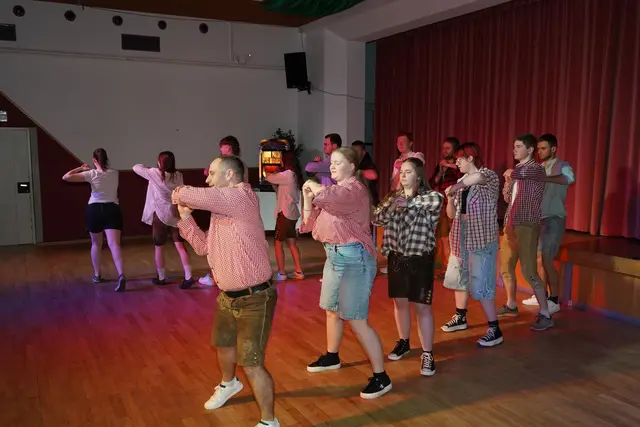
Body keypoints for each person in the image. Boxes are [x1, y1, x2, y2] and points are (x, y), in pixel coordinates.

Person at [172, 155, 279, 427]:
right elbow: (203, 248)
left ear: (229, 175)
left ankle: (270, 422)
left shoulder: (241, 197)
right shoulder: (221, 210)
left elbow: (186, 193)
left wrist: (177, 192)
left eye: (212, 174)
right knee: (223, 345)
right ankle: (229, 384)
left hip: (255, 298)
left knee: (252, 363)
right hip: (227, 297)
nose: (208, 179)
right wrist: (186, 219)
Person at [300, 147, 392, 399]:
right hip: (333, 255)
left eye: (338, 162)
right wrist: (307, 199)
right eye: (331, 162)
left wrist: (313, 187)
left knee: (356, 319)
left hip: (354, 259)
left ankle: (381, 377)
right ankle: (332, 356)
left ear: (352, 167)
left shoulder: (353, 190)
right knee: (332, 310)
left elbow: (330, 196)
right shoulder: (333, 193)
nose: (332, 166)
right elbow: (308, 225)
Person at [373, 157, 443, 376]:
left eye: (408, 171)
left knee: (422, 307)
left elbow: (438, 200)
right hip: (397, 258)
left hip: (420, 258)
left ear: (419, 176)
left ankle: (427, 353)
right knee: (400, 303)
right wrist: (393, 206)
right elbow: (376, 219)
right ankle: (403, 341)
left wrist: (409, 203)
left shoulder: (429, 197)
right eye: (401, 171)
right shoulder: (392, 197)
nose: (403, 175)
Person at [440, 143, 503, 347]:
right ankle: (460, 316)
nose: (456, 163)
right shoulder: (461, 182)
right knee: (459, 278)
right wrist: (450, 200)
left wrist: (456, 187)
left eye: (460, 159)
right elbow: (451, 215)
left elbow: (477, 178)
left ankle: (494, 328)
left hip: (481, 238)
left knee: (481, 282)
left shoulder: (488, 176)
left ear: (470, 158)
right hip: (460, 236)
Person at [500, 134, 553, 331]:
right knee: (506, 266)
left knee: (529, 271)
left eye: (519, 146)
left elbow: (527, 173)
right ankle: (511, 305)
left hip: (527, 224)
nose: (514, 150)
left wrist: (512, 174)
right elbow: (508, 199)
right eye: (514, 146)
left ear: (530, 150)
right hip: (511, 223)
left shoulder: (535, 169)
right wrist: (508, 183)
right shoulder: (518, 171)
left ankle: (545, 313)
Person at [521, 134, 575, 313]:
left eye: (543, 148)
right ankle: (542, 295)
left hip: (554, 218)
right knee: (538, 259)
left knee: (547, 258)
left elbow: (568, 179)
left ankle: (554, 299)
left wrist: (544, 178)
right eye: (538, 149)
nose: (540, 152)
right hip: (538, 219)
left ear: (553, 149)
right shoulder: (538, 167)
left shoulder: (563, 165)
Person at [62, 148, 126, 292]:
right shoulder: (115, 173)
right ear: (106, 159)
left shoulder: (91, 174)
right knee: (114, 244)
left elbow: (66, 177)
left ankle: (97, 275)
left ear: (94, 160)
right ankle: (121, 274)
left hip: (95, 210)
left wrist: (80, 168)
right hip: (112, 209)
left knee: (96, 244)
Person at [133, 151, 196, 289]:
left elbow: (136, 167)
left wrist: (148, 166)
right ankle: (188, 276)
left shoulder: (154, 173)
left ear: (159, 162)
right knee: (180, 246)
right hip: (176, 213)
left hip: (161, 215)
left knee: (159, 246)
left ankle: (161, 277)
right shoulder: (178, 175)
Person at [199, 135, 249, 286]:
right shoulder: (240, 164)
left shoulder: (229, 164)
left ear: (230, 147)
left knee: (217, 243)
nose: (220, 149)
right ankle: (229, 274)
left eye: (223, 146)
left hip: (227, 205)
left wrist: (210, 172)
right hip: (235, 206)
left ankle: (215, 276)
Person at [381, 132, 425, 274]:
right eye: (398, 142)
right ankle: (395, 264)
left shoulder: (418, 155)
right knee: (394, 232)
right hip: (399, 197)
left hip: (412, 198)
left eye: (403, 141)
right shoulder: (397, 161)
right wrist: (398, 169)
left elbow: (416, 169)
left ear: (410, 143)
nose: (400, 144)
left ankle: (411, 265)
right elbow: (393, 186)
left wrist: (403, 165)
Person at [265, 150, 305, 280]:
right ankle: (299, 271)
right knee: (291, 243)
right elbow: (280, 190)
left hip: (285, 213)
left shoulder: (287, 174)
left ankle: (281, 273)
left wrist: (270, 172)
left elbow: (269, 177)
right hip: (291, 213)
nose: (280, 161)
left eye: (281, 159)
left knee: (278, 243)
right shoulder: (294, 175)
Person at [428, 137, 463, 275]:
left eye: (448, 148)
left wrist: (449, 166)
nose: (444, 151)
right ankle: (449, 268)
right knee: (443, 237)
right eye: (443, 148)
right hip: (442, 205)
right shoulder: (441, 165)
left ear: (455, 150)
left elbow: (463, 177)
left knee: (455, 238)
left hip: (456, 205)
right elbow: (432, 183)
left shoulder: (460, 163)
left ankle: (458, 269)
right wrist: (440, 172)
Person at [351, 140, 379, 206]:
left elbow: (374, 175)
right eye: (353, 151)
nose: (354, 154)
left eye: (356, 151)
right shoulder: (353, 163)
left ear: (363, 152)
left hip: (369, 202)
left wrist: (357, 172)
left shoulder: (367, 162)